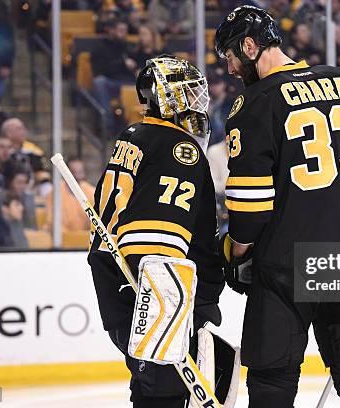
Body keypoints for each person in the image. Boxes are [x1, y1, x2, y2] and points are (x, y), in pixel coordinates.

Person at [215, 6, 340, 407]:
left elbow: (250, 208)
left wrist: (236, 252)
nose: (231, 68)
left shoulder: (255, 103)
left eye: (231, 56)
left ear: (249, 47)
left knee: (272, 379)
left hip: (288, 266)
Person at [88, 55, 224, 407]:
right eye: (190, 94)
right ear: (168, 97)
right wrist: (205, 296)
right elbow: (172, 236)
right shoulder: (180, 148)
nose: (198, 102)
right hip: (152, 280)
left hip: (112, 274)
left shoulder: (133, 136)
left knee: (148, 383)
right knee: (166, 390)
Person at [91, 19, 139, 132]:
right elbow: (100, 70)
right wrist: (122, 64)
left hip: (129, 83)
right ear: (112, 31)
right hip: (110, 83)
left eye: (125, 31)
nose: (124, 34)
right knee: (99, 82)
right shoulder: (100, 48)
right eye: (121, 30)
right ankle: (107, 125)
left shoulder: (129, 47)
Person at [46, 157, 95, 231]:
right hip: (62, 237)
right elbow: (52, 222)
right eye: (74, 172)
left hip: (84, 237)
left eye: (80, 172)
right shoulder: (55, 193)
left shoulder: (91, 192)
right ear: (66, 173)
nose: (78, 175)